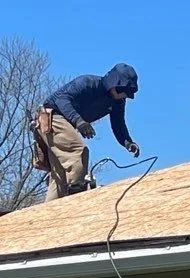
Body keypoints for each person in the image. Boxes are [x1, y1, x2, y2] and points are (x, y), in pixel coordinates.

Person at [34, 64, 140, 200]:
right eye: (122, 91)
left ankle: (48, 215)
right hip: (52, 116)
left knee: (59, 173)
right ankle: (75, 198)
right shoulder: (87, 83)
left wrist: (127, 142)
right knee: (77, 152)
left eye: (126, 94)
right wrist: (79, 121)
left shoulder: (117, 102)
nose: (123, 96)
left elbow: (118, 124)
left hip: (64, 124)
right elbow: (61, 100)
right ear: (113, 83)